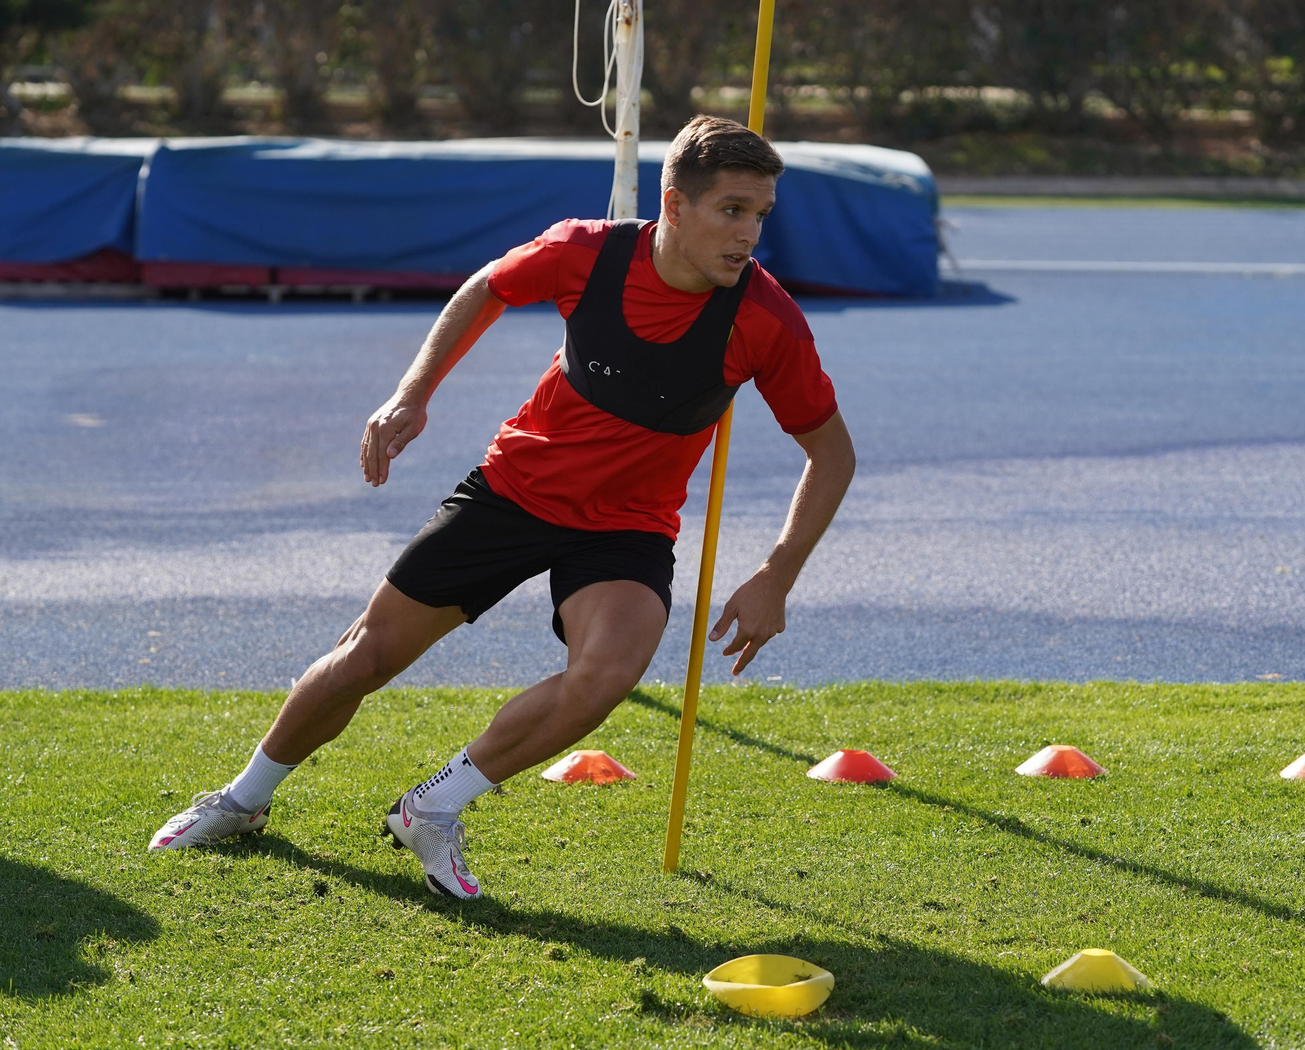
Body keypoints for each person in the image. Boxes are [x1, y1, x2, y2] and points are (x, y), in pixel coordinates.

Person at [148, 116, 856, 899]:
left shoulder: (766, 318)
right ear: (675, 205)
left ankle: (433, 808)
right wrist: (410, 397)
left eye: (762, 214)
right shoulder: (586, 251)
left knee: (604, 676)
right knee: (366, 658)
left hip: (627, 524)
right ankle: (244, 800)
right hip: (515, 490)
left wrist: (776, 575)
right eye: (732, 209)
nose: (750, 233)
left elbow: (832, 451)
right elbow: (487, 286)